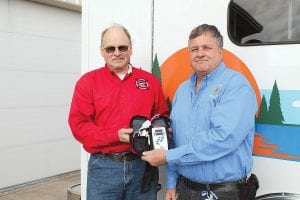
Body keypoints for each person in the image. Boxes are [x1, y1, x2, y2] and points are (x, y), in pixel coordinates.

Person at [142, 24, 258, 200]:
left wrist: (168, 156)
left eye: (207, 47)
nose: (200, 53)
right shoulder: (182, 90)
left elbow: (223, 138)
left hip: (223, 192)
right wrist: (172, 183)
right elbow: (175, 138)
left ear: (220, 52)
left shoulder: (236, 86)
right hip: (185, 188)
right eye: (194, 49)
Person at [68, 24, 169, 200]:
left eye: (122, 47)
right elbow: (79, 126)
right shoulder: (88, 82)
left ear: (130, 49)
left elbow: (162, 117)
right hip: (103, 168)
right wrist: (115, 135)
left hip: (142, 165)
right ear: (102, 51)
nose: (117, 53)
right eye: (110, 48)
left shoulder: (150, 82)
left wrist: (160, 133)